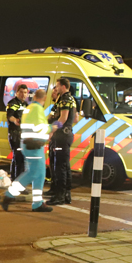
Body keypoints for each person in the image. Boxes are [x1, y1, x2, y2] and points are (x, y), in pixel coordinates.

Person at [0, 89, 53, 213]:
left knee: (39, 175)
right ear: (44, 99)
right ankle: (9, 195)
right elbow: (40, 127)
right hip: (34, 145)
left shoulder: (28, 108)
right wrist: (52, 127)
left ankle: (37, 203)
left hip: (30, 145)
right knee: (32, 173)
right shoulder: (37, 109)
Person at [47, 78, 76, 206]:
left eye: (57, 86)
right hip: (66, 134)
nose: (56, 88)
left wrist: (52, 131)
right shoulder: (71, 99)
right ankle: (66, 194)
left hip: (61, 135)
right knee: (64, 166)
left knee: (60, 167)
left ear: (63, 86)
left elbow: (63, 118)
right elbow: (75, 118)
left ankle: (60, 196)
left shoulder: (64, 99)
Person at [6, 84, 28, 178]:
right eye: (21, 92)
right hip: (15, 134)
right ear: (17, 92)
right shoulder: (13, 103)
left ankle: (15, 179)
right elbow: (9, 116)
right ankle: (17, 182)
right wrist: (15, 120)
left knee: (18, 159)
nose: (23, 94)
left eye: (25, 92)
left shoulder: (26, 105)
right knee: (19, 159)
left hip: (23, 135)